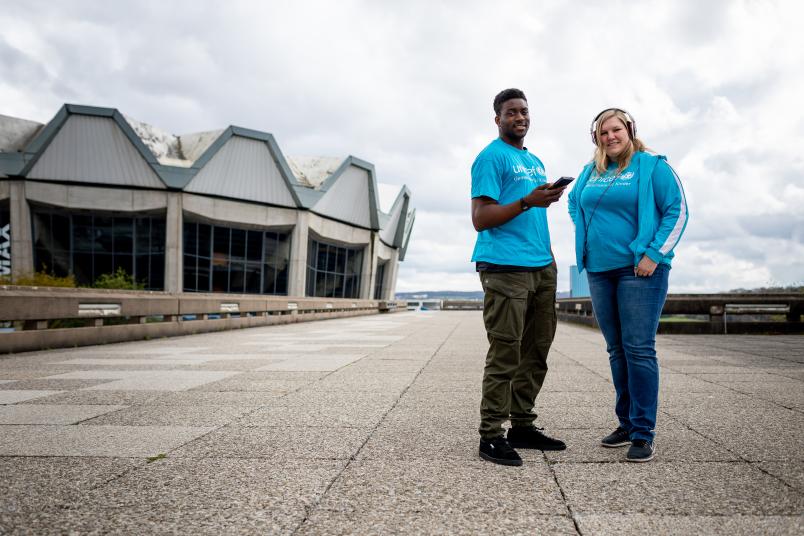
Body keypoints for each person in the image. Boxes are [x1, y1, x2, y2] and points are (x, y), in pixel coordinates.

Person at [567, 108, 688, 462]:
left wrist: (654, 253)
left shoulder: (652, 166)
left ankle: (643, 431)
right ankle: (625, 422)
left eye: (616, 130)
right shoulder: (590, 171)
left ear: (630, 130)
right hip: (599, 271)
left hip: (639, 272)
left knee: (638, 348)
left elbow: (677, 211)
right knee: (616, 350)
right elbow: (575, 205)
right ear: (596, 137)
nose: (610, 137)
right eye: (603, 133)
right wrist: (586, 240)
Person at [471, 88, 568, 467]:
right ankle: (491, 435)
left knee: (536, 352)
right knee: (505, 352)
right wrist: (528, 200)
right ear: (498, 119)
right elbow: (481, 219)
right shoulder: (490, 157)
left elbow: (533, 212)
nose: (520, 117)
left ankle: (523, 426)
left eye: (524, 111)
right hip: (505, 269)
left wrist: (541, 198)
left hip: (542, 266)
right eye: (511, 112)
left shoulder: (535, 161)